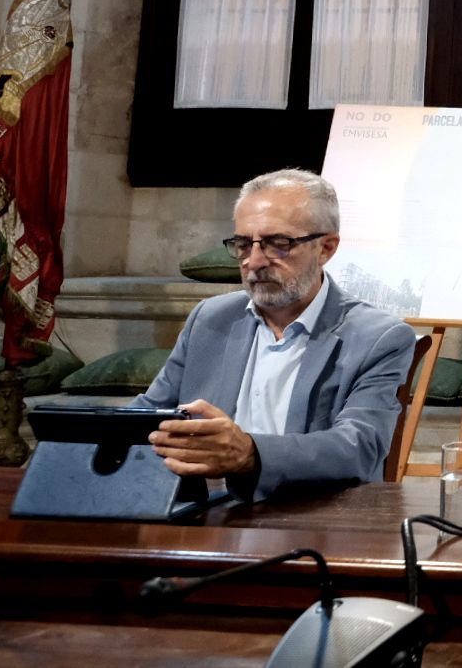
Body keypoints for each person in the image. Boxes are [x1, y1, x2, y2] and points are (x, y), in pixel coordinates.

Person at [137, 168, 416, 501]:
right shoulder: (210, 320)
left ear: (326, 248)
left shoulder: (377, 337)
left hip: (313, 521)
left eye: (278, 244)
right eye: (243, 245)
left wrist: (251, 453)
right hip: (205, 516)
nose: (254, 261)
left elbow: (359, 446)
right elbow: (144, 420)